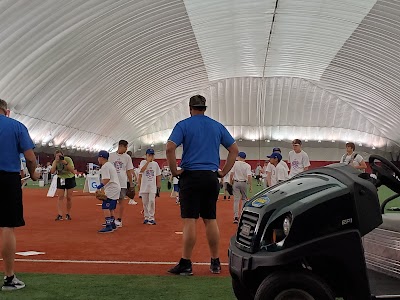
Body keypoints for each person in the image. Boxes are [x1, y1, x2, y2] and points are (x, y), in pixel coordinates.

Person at [166, 94, 238, 275]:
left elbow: (169, 148)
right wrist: (223, 172)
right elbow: (234, 150)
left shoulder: (183, 125)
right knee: (210, 219)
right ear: (204, 108)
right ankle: (215, 262)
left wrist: (175, 171)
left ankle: (186, 263)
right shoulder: (217, 126)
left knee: (190, 220)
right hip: (211, 177)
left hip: (190, 176)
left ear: (190, 108)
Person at [0, 99, 39, 291]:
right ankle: (9, 278)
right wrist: (33, 174)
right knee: (7, 226)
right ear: (6, 111)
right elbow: (30, 157)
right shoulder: (16, 126)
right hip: (7, 179)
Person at [108, 140, 136, 227]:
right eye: (126, 147)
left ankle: (119, 219)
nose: (127, 149)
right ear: (120, 146)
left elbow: (128, 171)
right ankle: (111, 219)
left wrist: (131, 183)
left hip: (122, 183)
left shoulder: (127, 157)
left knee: (121, 201)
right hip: (112, 182)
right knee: (110, 201)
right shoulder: (111, 156)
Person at [96, 151, 121, 233]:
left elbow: (106, 179)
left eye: (99, 157)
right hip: (116, 187)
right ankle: (112, 224)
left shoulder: (105, 166)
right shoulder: (109, 165)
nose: (98, 159)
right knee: (111, 207)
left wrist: (99, 187)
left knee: (105, 206)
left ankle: (108, 225)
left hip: (112, 188)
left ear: (101, 157)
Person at [51, 150, 76, 221]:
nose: (58, 157)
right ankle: (60, 214)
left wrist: (65, 163)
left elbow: (72, 170)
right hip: (61, 178)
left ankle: (68, 213)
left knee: (69, 197)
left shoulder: (68, 159)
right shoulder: (55, 161)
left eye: (60, 156)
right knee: (60, 197)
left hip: (69, 178)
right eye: (57, 156)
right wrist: (55, 162)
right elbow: (52, 172)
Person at [138, 149, 161, 225]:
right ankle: (146, 217)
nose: (151, 157)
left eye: (152, 155)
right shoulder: (142, 162)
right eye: (149, 155)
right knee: (145, 202)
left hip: (152, 186)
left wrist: (158, 185)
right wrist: (147, 161)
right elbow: (141, 170)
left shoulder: (155, 164)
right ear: (146, 155)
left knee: (151, 201)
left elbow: (158, 175)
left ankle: (151, 217)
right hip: (144, 186)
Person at [230, 152, 252, 224]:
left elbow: (231, 174)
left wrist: (230, 182)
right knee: (244, 199)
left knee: (236, 200)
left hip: (236, 182)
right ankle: (242, 215)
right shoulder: (247, 165)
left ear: (239, 157)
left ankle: (236, 217)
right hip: (244, 183)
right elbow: (249, 176)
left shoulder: (235, 163)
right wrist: (250, 186)